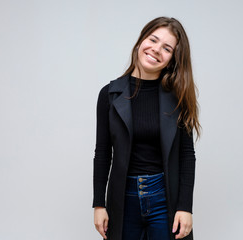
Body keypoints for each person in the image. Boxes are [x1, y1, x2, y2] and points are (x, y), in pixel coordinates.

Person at [92, 16, 200, 240]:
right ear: (141, 41)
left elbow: (187, 155)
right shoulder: (109, 95)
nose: (156, 49)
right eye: (153, 39)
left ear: (172, 59)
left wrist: (185, 207)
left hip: (164, 196)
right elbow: (102, 153)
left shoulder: (178, 98)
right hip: (123, 198)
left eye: (167, 48)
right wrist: (98, 204)